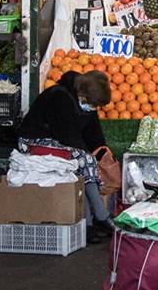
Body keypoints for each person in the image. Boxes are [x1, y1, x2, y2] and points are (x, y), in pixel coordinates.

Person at [19, 70, 115, 240]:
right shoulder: (60, 98)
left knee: (84, 159)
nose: (93, 109)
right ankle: (98, 217)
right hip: (34, 141)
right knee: (82, 159)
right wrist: (87, 155)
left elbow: (93, 133)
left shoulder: (85, 99)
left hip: (59, 141)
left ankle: (94, 219)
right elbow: (68, 136)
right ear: (82, 94)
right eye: (92, 104)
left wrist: (101, 151)